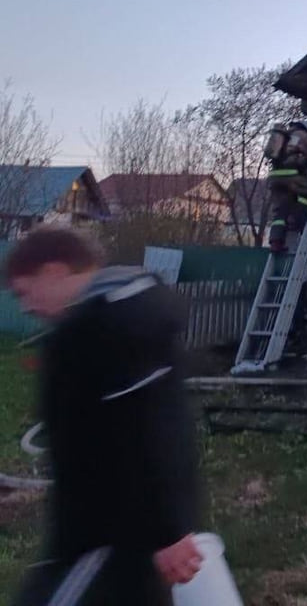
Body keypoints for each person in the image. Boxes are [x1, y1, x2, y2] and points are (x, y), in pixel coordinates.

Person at [4, 227, 204, 605]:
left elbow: (157, 432)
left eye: (24, 292)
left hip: (104, 542)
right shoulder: (108, 322)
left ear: (53, 272)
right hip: (105, 536)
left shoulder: (111, 330)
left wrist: (168, 531)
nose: (25, 307)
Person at [267, 120, 307, 253]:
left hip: (274, 178)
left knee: (280, 211)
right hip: (292, 175)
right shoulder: (302, 135)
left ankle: (276, 243)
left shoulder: (283, 136)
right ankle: (302, 224)